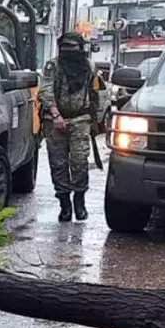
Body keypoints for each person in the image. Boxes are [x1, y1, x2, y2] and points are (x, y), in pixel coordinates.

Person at [40, 32, 106, 222]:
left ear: (80, 48)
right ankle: (64, 205)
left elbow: (95, 94)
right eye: (65, 47)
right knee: (58, 164)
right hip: (54, 120)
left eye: (73, 47)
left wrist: (95, 121)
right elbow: (45, 91)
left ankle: (79, 201)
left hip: (80, 119)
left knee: (79, 161)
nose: (69, 51)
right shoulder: (53, 66)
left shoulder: (89, 67)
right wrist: (56, 115)